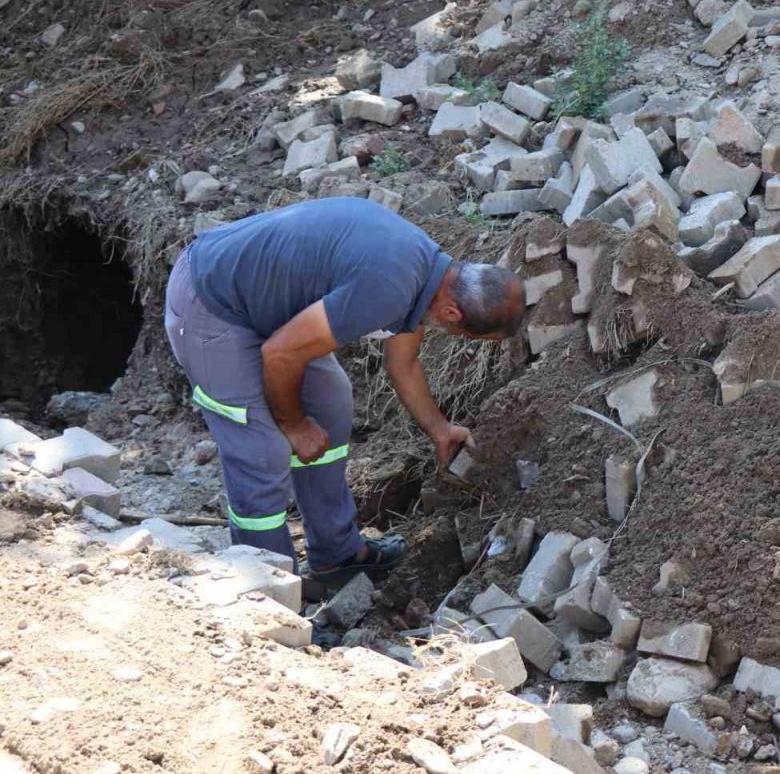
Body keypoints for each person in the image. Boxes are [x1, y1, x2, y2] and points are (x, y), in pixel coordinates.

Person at [163, 197, 525, 584]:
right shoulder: (387, 288)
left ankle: (337, 555)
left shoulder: (431, 278)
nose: (457, 337)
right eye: (465, 335)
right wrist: (295, 425)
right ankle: (268, 586)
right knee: (262, 451)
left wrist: (439, 428)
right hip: (211, 302)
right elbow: (281, 354)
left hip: (267, 309)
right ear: (452, 313)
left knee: (331, 403)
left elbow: (402, 364)